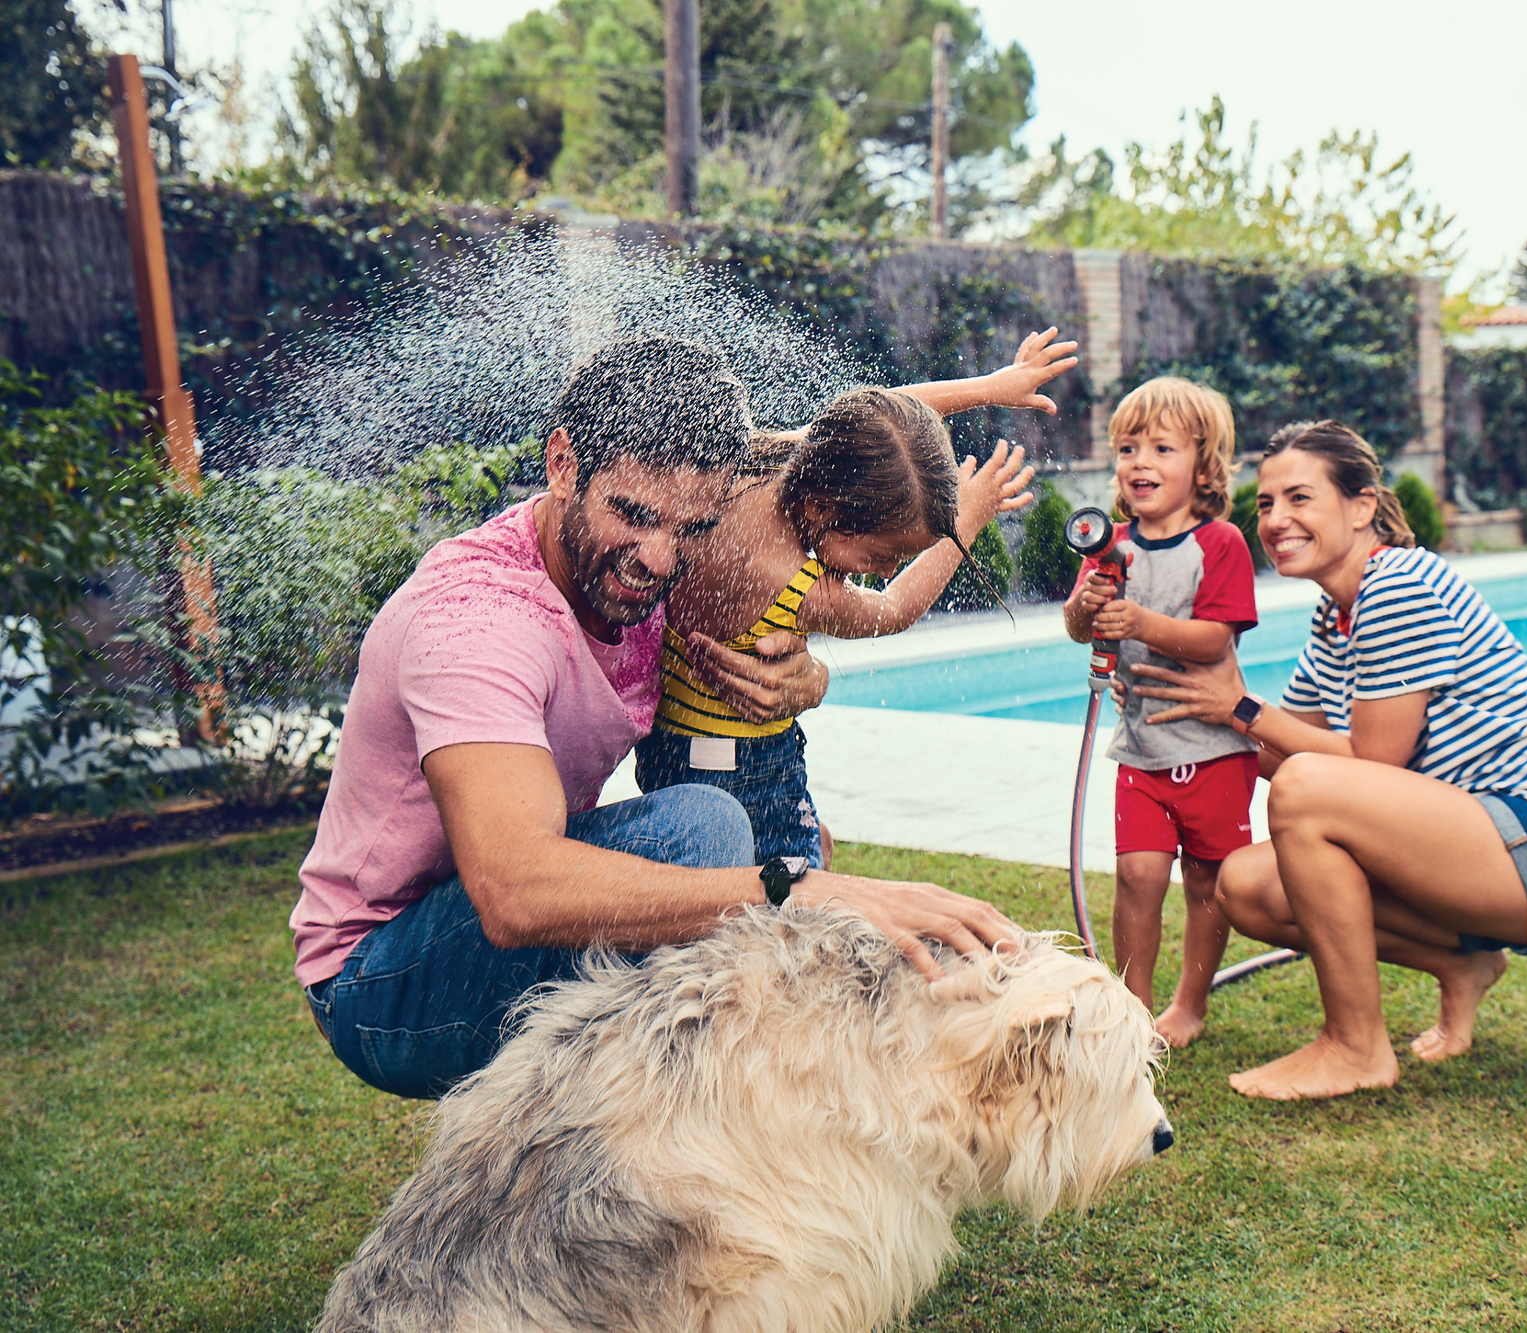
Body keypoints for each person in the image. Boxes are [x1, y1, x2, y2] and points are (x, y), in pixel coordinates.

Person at [290, 336, 1019, 1100]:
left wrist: (809, 681)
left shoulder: (662, 548)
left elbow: (853, 438)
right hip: (381, 982)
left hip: (475, 918)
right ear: (563, 463)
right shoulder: (478, 623)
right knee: (702, 835)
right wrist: (792, 887)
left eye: (690, 530)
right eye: (633, 515)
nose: (661, 560)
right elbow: (515, 890)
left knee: (728, 853)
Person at [1129, 420, 1527, 1099]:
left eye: (1300, 498)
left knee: (1303, 790)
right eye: (1266, 504)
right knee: (1246, 885)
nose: (1274, 520)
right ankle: (1460, 965)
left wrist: (1239, 707)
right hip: (1472, 842)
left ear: (1361, 507)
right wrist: (1192, 705)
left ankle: (1356, 1046)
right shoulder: (1337, 614)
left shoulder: (1399, 585)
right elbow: (1276, 743)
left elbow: (1368, 766)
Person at [635, 329, 1075, 866]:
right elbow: (894, 610)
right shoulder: (787, 579)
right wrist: (973, 515)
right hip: (749, 771)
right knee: (795, 905)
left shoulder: (761, 471)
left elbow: (882, 423)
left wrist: (992, 386)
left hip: (670, 753)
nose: (886, 570)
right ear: (825, 513)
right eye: (878, 557)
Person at [1061, 377, 1259, 1047]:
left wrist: (1141, 617)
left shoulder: (1221, 543)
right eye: (1127, 447)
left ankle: (1190, 1003)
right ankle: (1132, 1007)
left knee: (1208, 879)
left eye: (1162, 448)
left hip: (1213, 750)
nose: (1140, 462)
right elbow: (1076, 625)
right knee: (1138, 873)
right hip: (1141, 747)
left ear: (1203, 466)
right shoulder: (1109, 543)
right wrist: (1084, 611)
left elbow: (1214, 638)